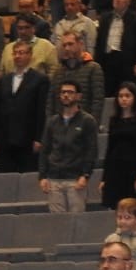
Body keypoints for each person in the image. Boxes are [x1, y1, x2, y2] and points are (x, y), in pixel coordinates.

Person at [38, 80, 98, 214]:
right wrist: (42, 176)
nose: (66, 95)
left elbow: (91, 151)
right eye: (63, 92)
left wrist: (85, 175)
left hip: (75, 180)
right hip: (54, 179)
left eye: (70, 92)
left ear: (78, 96)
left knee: (76, 222)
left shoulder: (87, 121)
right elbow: (45, 150)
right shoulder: (52, 122)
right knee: (57, 224)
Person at [0, 41, 51, 175]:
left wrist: (39, 138)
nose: (18, 56)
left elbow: (41, 111)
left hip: (28, 139)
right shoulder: (3, 80)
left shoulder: (40, 79)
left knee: (28, 176)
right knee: (5, 178)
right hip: (5, 138)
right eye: (15, 53)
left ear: (30, 56)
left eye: (22, 53)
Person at [100, 82, 136, 208]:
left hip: (133, 170)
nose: (123, 99)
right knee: (114, 207)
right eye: (121, 96)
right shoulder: (114, 120)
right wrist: (104, 178)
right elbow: (109, 149)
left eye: (127, 96)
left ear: (135, 98)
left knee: (132, 207)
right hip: (114, 170)